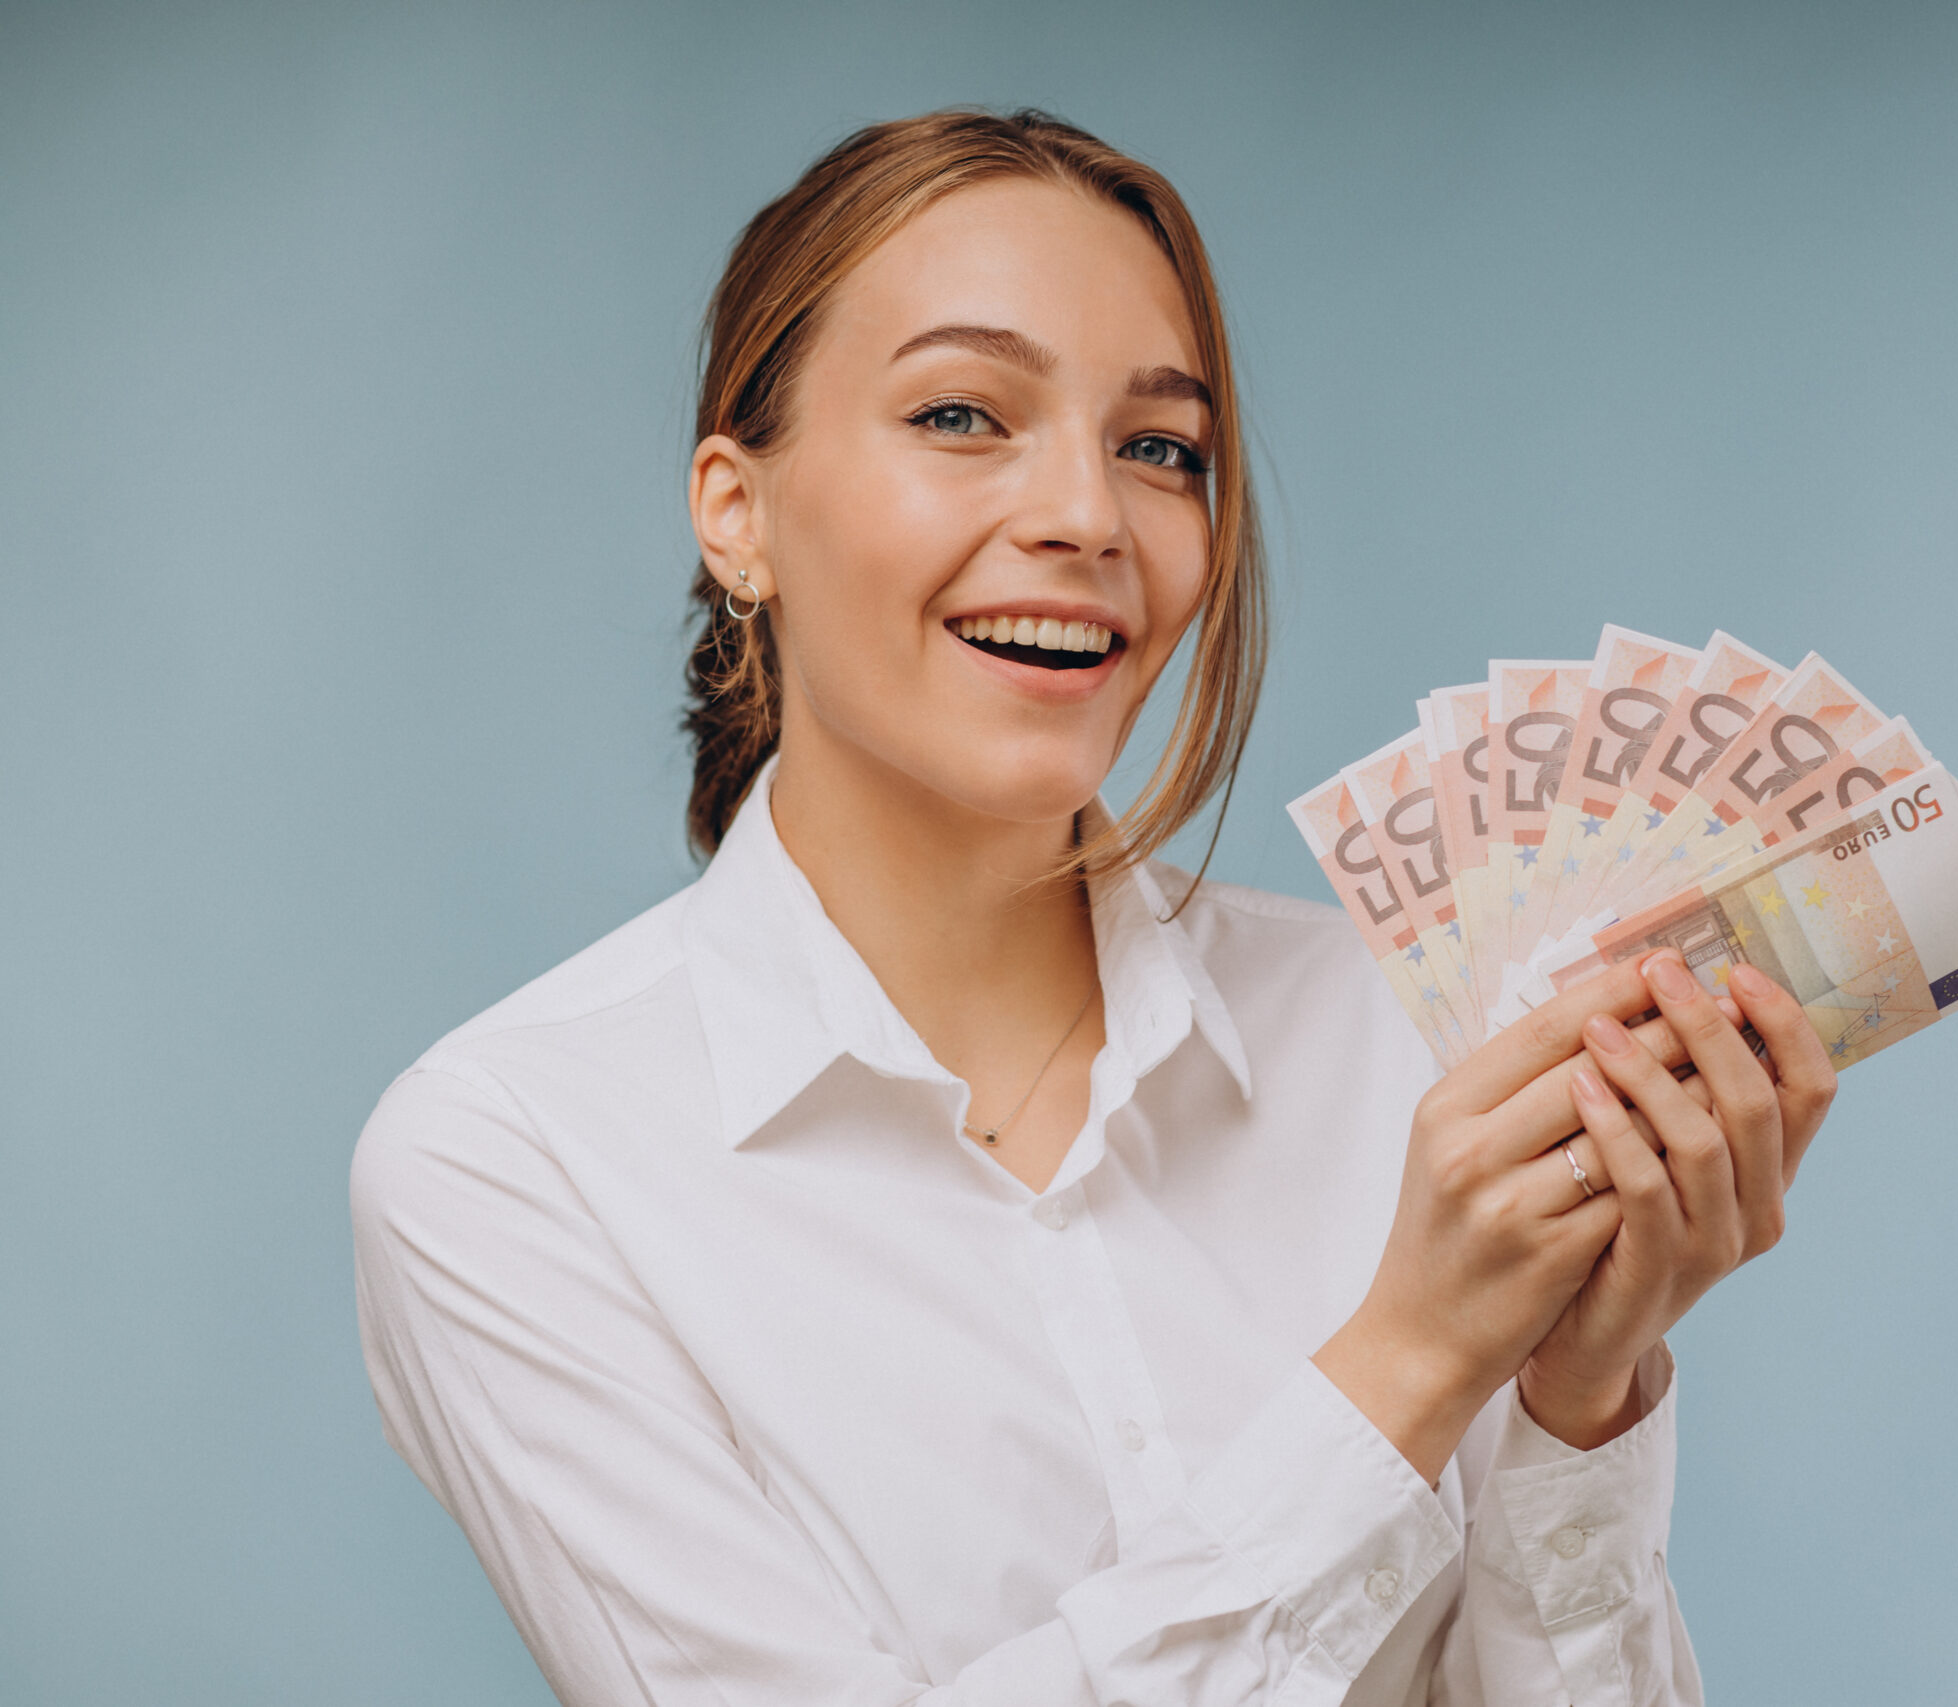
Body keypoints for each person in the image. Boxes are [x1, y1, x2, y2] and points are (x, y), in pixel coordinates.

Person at [350, 108, 1837, 1707]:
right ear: (738, 511)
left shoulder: (1404, 1029)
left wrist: (1576, 1398)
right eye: (964, 415)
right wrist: (1410, 1360)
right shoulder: (510, 1164)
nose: (1088, 518)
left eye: (1160, 449)